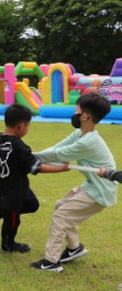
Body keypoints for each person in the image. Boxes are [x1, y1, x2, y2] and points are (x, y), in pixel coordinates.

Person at [30, 93, 117, 273]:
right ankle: (74, 248)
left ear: (85, 116)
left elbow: (59, 155)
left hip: (100, 191)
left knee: (60, 217)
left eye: (76, 111)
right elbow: (57, 148)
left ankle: (51, 262)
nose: (74, 114)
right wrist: (31, 156)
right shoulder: (80, 133)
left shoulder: (89, 142)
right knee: (60, 205)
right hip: (93, 186)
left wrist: (27, 156)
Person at [0, 104, 69, 253]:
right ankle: (8, 244)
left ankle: (0, 212)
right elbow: (36, 167)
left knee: (33, 204)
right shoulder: (19, 146)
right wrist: (59, 169)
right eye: (28, 126)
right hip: (13, 194)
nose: (27, 129)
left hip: (14, 188)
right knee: (13, 221)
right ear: (21, 126)